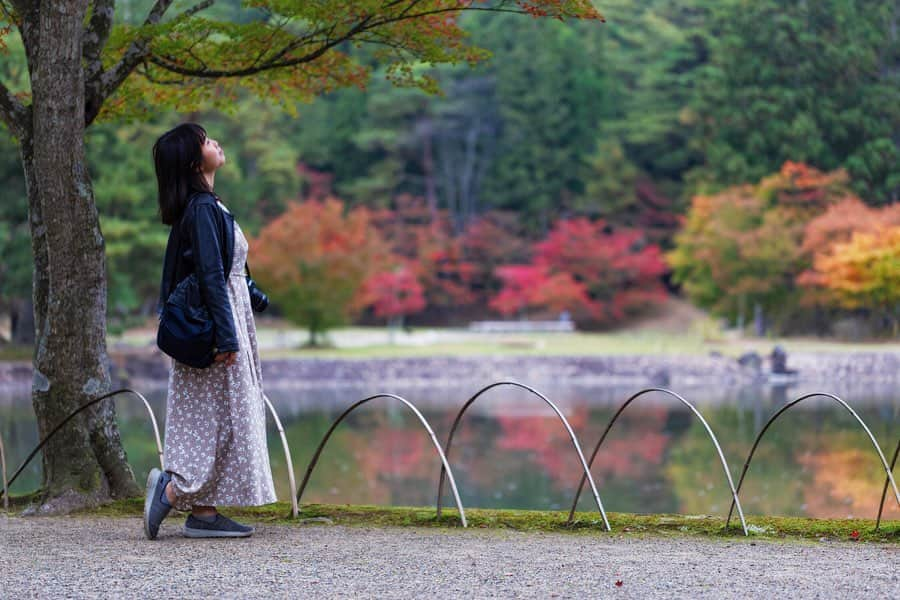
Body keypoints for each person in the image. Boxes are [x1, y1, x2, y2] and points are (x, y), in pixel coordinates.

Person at [144, 123, 277, 540]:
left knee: (221, 414)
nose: (214, 142)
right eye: (204, 140)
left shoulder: (211, 206)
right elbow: (209, 274)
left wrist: (253, 296)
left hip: (229, 319)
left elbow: (228, 268)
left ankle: (202, 512)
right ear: (192, 160)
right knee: (212, 415)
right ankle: (172, 489)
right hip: (217, 328)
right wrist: (226, 337)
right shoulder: (201, 209)